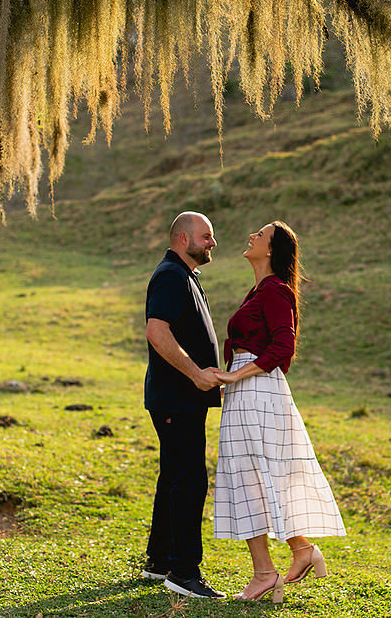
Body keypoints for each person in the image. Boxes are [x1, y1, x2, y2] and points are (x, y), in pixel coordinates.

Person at [212, 220, 346, 604]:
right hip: (247, 390)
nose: (251, 235)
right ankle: (299, 550)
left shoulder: (275, 291)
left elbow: (282, 348)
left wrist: (236, 374)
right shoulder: (259, 291)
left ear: (271, 249)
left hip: (257, 389)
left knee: (248, 475)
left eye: (260, 234)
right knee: (254, 475)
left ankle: (266, 573)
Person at [142, 211, 226, 599]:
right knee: (190, 480)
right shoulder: (171, 276)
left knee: (174, 477)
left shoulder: (184, 275)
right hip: (177, 397)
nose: (212, 242)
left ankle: (159, 563)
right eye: (206, 236)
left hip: (179, 399)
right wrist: (195, 373)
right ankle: (184, 571)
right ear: (182, 239)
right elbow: (157, 332)